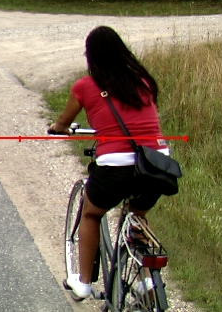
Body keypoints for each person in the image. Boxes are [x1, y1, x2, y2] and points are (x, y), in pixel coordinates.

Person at [48, 26, 169, 300]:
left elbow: (64, 122)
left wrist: (57, 128)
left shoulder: (84, 87)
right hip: (156, 163)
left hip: (117, 164)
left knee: (92, 213)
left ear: (90, 56)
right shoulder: (142, 81)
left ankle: (83, 282)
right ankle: (147, 283)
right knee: (137, 215)